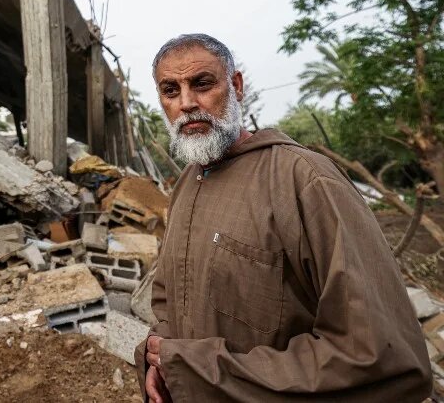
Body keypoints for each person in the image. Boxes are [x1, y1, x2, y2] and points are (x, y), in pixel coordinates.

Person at [135, 33, 431, 402]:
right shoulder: (187, 183)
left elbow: (379, 355)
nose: (187, 103)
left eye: (202, 83)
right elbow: (168, 297)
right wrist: (159, 362)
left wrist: (197, 368)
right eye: (170, 91)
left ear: (236, 86)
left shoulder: (304, 180)